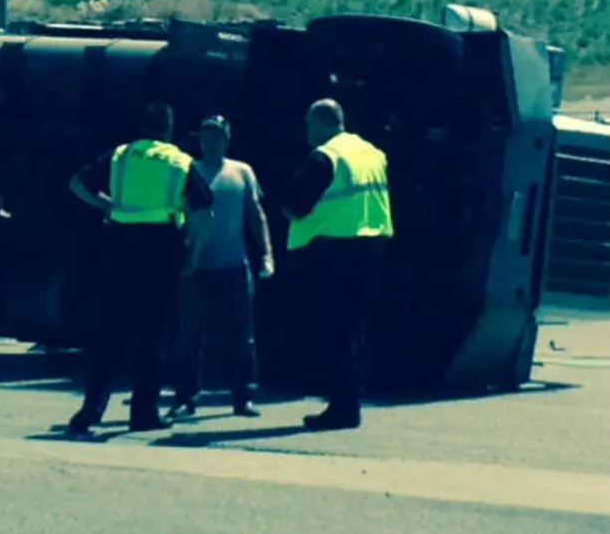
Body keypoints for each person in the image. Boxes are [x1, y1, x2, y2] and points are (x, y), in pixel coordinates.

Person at [65, 102, 215, 434]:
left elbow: (77, 184)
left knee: (109, 333)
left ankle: (89, 412)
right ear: (169, 127)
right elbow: (205, 212)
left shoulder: (120, 155)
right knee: (153, 334)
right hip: (161, 250)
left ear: (143, 126)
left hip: (119, 248)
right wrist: (194, 251)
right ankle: (143, 412)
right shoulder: (180, 161)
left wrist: (106, 204)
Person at [282, 99, 394, 430]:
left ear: (320, 123)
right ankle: (351, 400)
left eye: (308, 123)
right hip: (373, 246)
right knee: (355, 330)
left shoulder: (325, 157)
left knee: (336, 331)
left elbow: (295, 205)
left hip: (338, 251)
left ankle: (342, 408)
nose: (306, 130)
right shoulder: (371, 153)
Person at [168, 115, 274, 419]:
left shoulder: (242, 172)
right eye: (205, 135)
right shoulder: (188, 171)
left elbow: (256, 215)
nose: (209, 141)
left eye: (216, 136)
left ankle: (244, 397)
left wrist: (266, 254)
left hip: (233, 266)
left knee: (241, 336)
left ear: (226, 139)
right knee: (188, 334)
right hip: (196, 267)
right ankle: (185, 398)